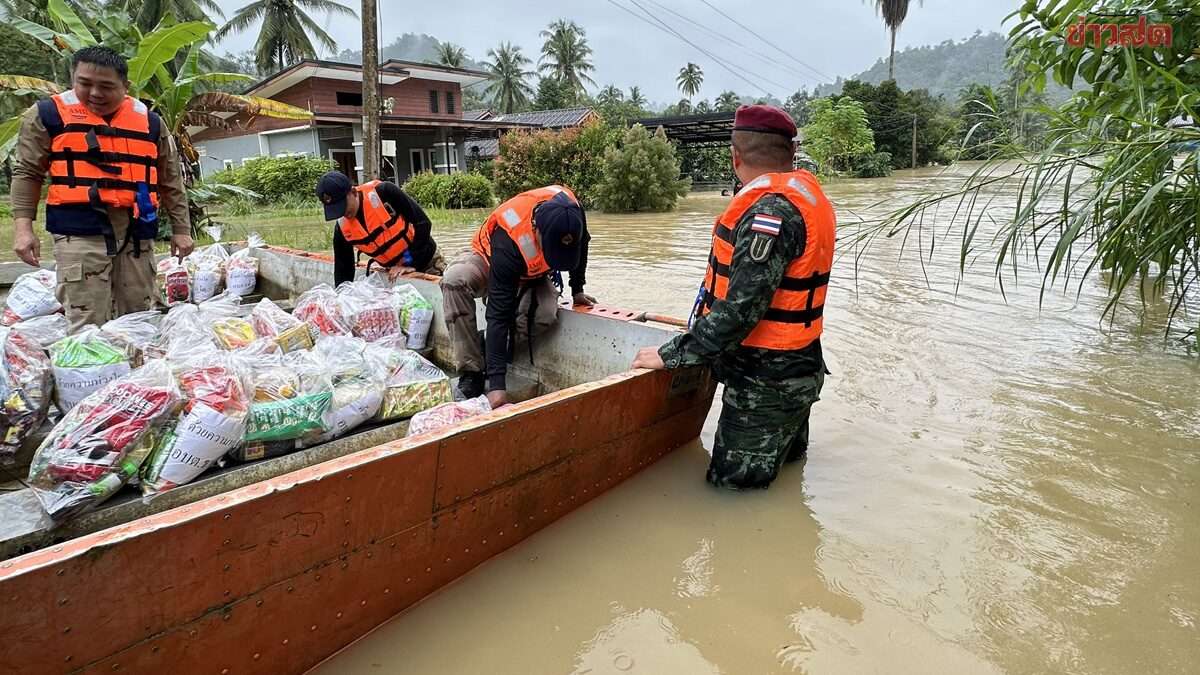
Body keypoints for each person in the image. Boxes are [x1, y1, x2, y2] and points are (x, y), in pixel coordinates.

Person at [632, 104, 835, 490]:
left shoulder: (769, 214)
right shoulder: (805, 196)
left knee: (733, 496)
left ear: (734, 156)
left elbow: (742, 310)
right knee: (788, 482)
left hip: (765, 388)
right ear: (792, 154)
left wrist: (671, 353)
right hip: (797, 372)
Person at [10, 46, 193, 331]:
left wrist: (182, 229)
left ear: (125, 86)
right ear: (73, 78)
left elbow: (171, 180)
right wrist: (23, 229)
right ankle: (92, 375)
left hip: (136, 231)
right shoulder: (47, 115)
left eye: (106, 86)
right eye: (84, 83)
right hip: (79, 230)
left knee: (140, 317)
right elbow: (27, 173)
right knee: (87, 320)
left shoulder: (151, 123)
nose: (95, 93)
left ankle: (139, 374)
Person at [441, 185, 596, 407]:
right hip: (489, 259)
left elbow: (582, 246)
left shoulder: (572, 211)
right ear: (537, 231)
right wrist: (497, 388)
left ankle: (489, 348)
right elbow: (498, 314)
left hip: (531, 271)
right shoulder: (510, 238)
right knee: (454, 280)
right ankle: (472, 370)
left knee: (545, 315)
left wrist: (577, 289)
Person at [316, 171, 445, 286]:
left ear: (353, 192)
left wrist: (408, 262)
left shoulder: (384, 192)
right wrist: (341, 297)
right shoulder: (342, 229)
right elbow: (343, 268)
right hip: (394, 272)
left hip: (426, 261)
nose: (343, 213)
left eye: (343, 206)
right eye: (336, 210)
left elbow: (423, 223)